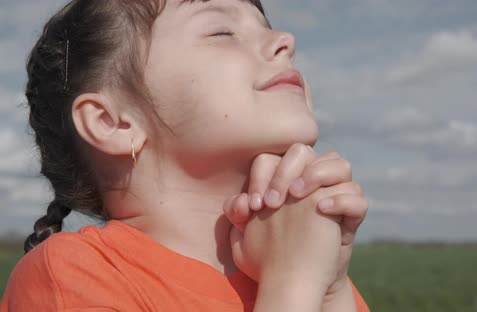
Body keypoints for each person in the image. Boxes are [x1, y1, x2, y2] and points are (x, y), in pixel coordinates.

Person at [1, 0, 370, 311]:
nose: (284, 41)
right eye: (221, 32)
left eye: (265, 26)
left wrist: (331, 286)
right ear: (111, 122)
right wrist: (294, 280)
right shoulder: (71, 276)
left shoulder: (317, 278)